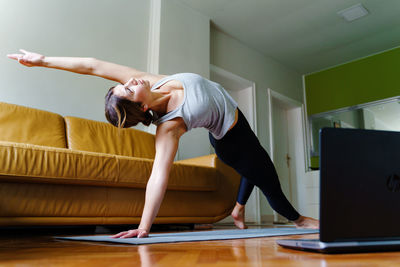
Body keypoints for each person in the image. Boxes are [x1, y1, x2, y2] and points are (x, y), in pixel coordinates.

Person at [7, 49, 319, 238]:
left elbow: (93, 65)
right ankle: (299, 220)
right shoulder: (169, 128)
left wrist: (43, 60)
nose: (129, 82)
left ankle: (237, 211)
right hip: (232, 141)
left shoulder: (149, 81)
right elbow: (159, 176)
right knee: (268, 178)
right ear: (141, 107)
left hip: (239, 124)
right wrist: (144, 227)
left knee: (253, 169)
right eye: (128, 90)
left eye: (124, 84)